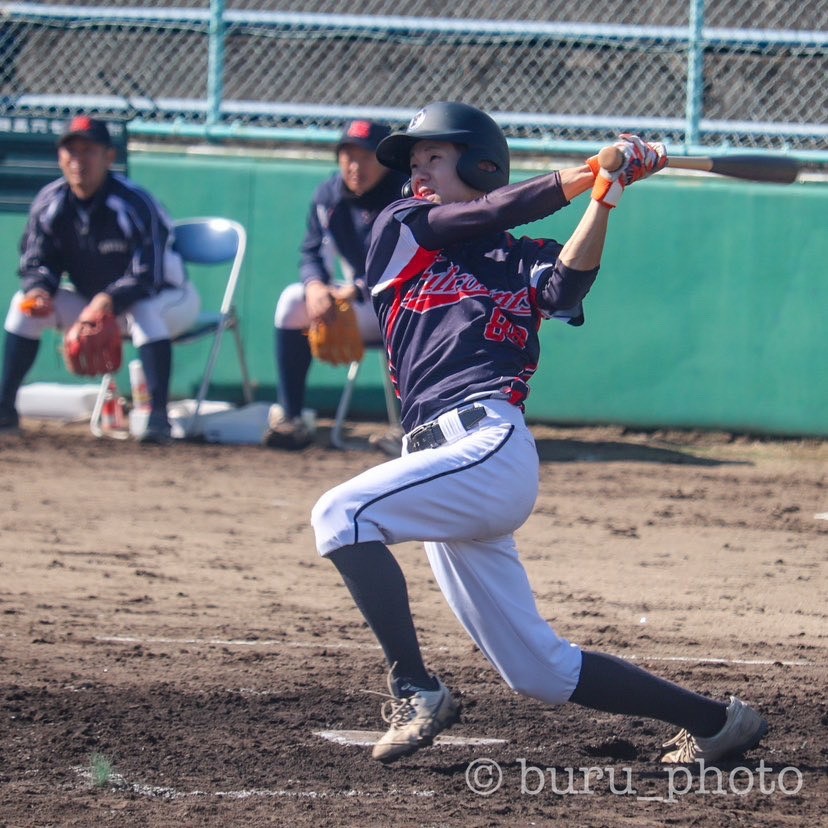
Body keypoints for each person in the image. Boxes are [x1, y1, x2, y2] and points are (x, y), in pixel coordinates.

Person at [310, 102, 768, 764]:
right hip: (439, 465)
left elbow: (563, 288)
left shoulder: (518, 258)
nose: (417, 174)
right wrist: (588, 171)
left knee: (340, 513)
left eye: (432, 159)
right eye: (414, 163)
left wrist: (604, 197)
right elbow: (487, 213)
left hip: (485, 446)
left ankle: (415, 686)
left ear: (479, 163)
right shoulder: (401, 227)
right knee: (538, 671)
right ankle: (716, 722)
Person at [0, 115, 200, 444]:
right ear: (60, 157)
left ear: (109, 156)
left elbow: (148, 274)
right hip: (96, 305)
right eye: (71, 152)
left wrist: (106, 301)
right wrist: (39, 290)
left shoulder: (134, 202)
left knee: (144, 310)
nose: (78, 161)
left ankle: (158, 417)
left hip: (170, 299)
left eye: (88, 151)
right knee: (22, 306)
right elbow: (37, 260)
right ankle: (5, 406)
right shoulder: (51, 203)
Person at [262, 119, 408, 451]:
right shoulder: (329, 195)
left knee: (404, 314)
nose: (355, 166)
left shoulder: (405, 194)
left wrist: (354, 290)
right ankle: (292, 418)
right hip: (359, 302)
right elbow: (312, 252)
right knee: (292, 301)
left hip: (401, 300)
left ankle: (410, 430)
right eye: (348, 156)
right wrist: (315, 287)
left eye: (366, 157)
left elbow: (401, 261)